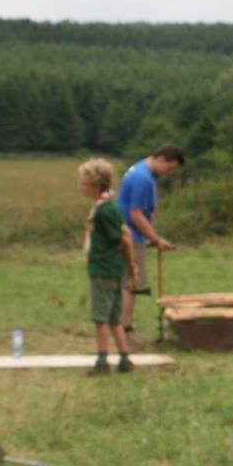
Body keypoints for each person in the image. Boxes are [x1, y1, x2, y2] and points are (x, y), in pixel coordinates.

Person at [78, 158, 137, 375]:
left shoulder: (106, 211)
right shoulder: (102, 207)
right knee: (114, 318)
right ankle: (124, 359)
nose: (80, 186)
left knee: (100, 318)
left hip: (105, 269)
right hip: (109, 268)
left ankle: (102, 361)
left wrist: (131, 267)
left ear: (96, 185)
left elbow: (124, 238)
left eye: (84, 182)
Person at [117, 143, 185, 329]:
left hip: (130, 235)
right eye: (169, 168)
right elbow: (136, 214)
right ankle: (126, 331)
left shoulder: (140, 169)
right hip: (129, 236)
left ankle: (121, 328)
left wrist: (147, 237)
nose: (169, 173)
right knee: (131, 284)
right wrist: (155, 239)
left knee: (129, 282)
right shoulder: (142, 178)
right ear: (160, 159)